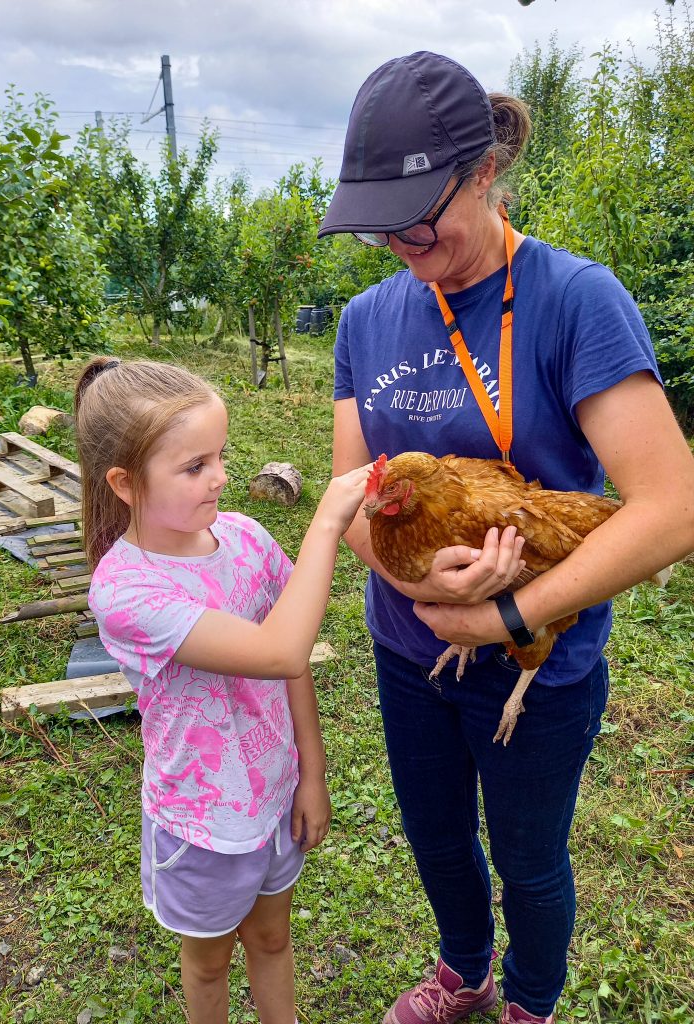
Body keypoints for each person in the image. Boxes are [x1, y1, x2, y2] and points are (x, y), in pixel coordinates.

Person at [318, 51, 694, 1024]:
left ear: (484, 172)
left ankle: (529, 999)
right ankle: (464, 969)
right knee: (437, 838)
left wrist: (505, 612)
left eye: (417, 216)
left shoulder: (577, 301)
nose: (399, 242)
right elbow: (348, 491)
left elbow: (671, 506)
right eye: (379, 225)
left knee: (529, 856)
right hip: (409, 653)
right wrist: (416, 585)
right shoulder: (365, 320)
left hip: (540, 654)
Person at [74, 356, 369, 1024]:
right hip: (200, 824)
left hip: (273, 797)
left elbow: (292, 669)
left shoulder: (245, 538)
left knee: (271, 938)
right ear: (124, 483)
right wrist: (326, 523)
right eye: (194, 466)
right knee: (207, 964)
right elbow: (280, 649)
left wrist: (312, 774)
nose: (222, 477)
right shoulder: (125, 592)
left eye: (220, 456)